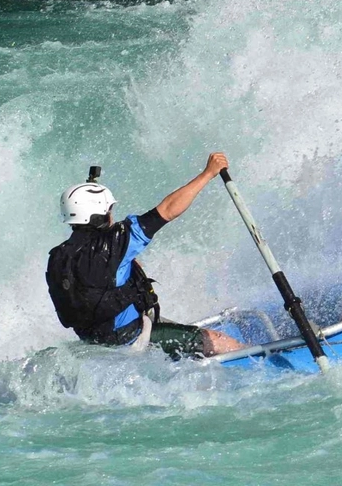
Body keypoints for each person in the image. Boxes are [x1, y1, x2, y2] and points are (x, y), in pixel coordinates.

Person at [46, 154, 246, 360]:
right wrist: (208, 173)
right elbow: (168, 210)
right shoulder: (117, 242)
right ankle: (261, 360)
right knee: (218, 341)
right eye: (109, 209)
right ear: (99, 214)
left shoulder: (59, 257)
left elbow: (95, 287)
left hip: (95, 340)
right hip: (129, 339)